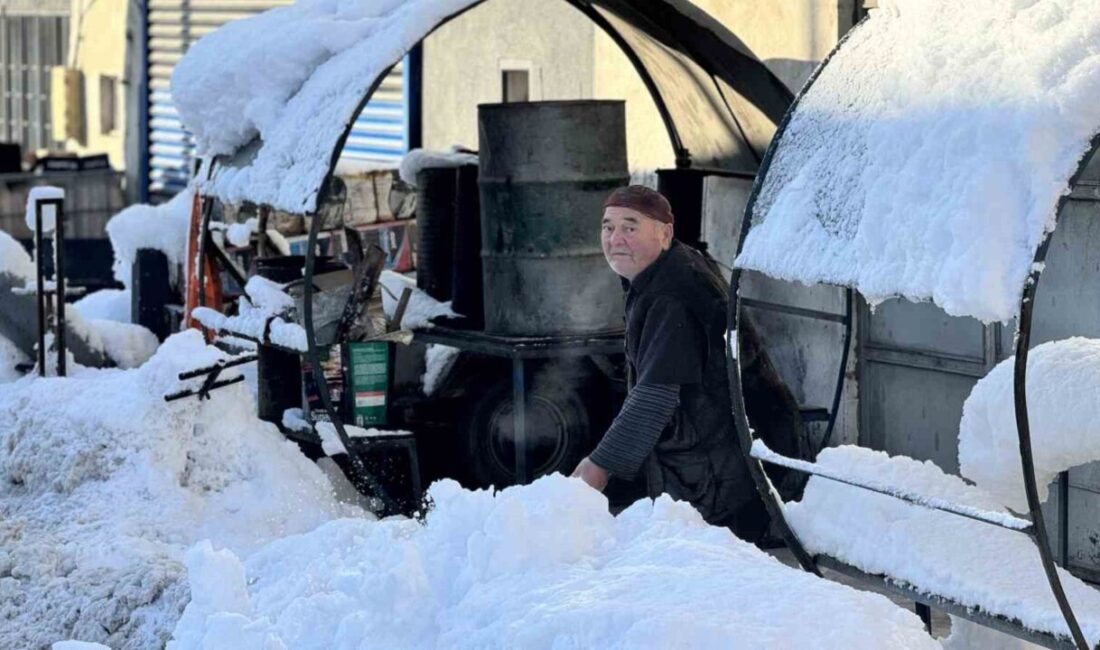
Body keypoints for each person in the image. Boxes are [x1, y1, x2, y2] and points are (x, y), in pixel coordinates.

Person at [571, 185, 768, 542]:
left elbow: (654, 397)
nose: (615, 239)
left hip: (724, 478)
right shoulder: (666, 269)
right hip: (712, 465)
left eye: (630, 227)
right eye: (608, 227)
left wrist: (598, 467)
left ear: (664, 234)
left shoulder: (672, 294)